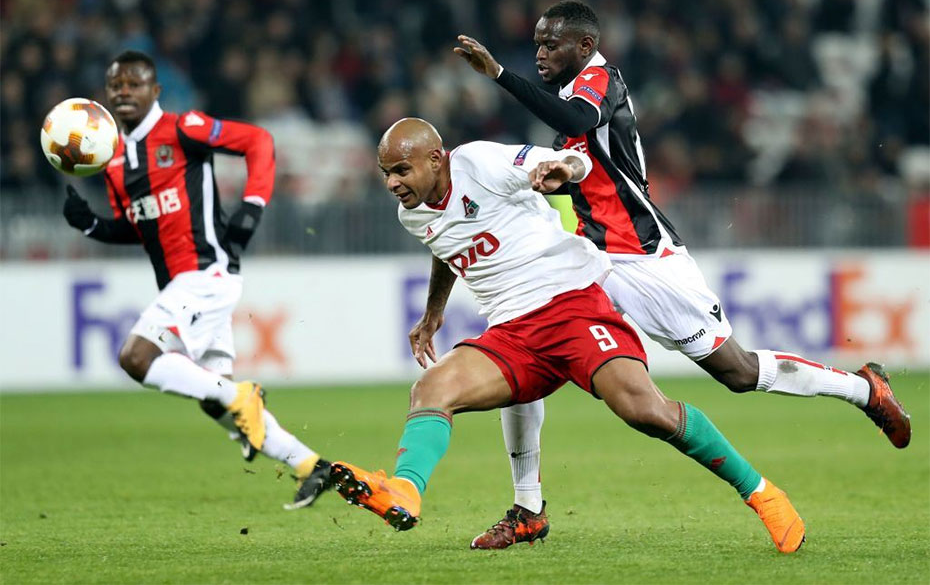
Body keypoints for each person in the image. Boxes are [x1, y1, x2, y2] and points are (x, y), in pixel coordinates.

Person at [448, 0, 911, 549]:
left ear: (586, 47)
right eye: (537, 44)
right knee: (528, 335)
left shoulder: (600, 82)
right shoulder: (567, 109)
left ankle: (863, 389)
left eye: (552, 44)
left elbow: (576, 122)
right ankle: (528, 507)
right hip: (592, 258)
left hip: (648, 257)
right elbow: (583, 167)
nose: (541, 53)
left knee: (737, 372)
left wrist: (500, 73)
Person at [330, 117, 806, 554]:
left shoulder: (480, 161)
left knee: (645, 411)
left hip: (573, 305)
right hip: (513, 334)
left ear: (436, 159)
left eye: (400, 170)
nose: (392, 183)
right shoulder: (411, 212)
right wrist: (434, 312)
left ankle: (763, 493)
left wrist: (563, 167)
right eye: (385, 173)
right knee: (430, 388)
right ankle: (405, 490)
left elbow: (566, 160)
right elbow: (445, 239)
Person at [62, 50, 331, 510]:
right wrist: (92, 226)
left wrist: (253, 205)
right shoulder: (112, 163)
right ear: (106, 96)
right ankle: (311, 466)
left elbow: (259, 141)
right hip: (181, 284)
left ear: (155, 91)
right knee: (216, 402)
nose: (124, 91)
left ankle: (241, 395)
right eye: (116, 86)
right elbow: (139, 227)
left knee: (136, 358)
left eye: (135, 83)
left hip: (206, 273)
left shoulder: (183, 129)